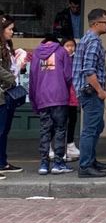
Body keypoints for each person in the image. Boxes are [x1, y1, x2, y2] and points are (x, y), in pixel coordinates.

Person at [73, 8, 106, 178]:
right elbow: (89, 70)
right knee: (90, 129)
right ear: (96, 23)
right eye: (105, 22)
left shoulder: (86, 39)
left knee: (96, 126)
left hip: (87, 91)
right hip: (91, 92)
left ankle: (91, 159)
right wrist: (100, 90)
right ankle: (85, 165)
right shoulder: (93, 41)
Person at [29, 34, 73, 175]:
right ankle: (58, 163)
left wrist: (34, 100)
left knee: (45, 130)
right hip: (59, 96)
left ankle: (43, 163)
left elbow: (32, 79)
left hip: (42, 97)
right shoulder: (61, 52)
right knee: (60, 129)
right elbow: (68, 76)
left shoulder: (36, 54)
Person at [0, 15, 24, 179]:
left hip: (8, 93)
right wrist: (12, 78)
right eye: (10, 29)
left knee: (4, 130)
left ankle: (3, 162)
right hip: (2, 92)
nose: (12, 32)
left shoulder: (7, 47)